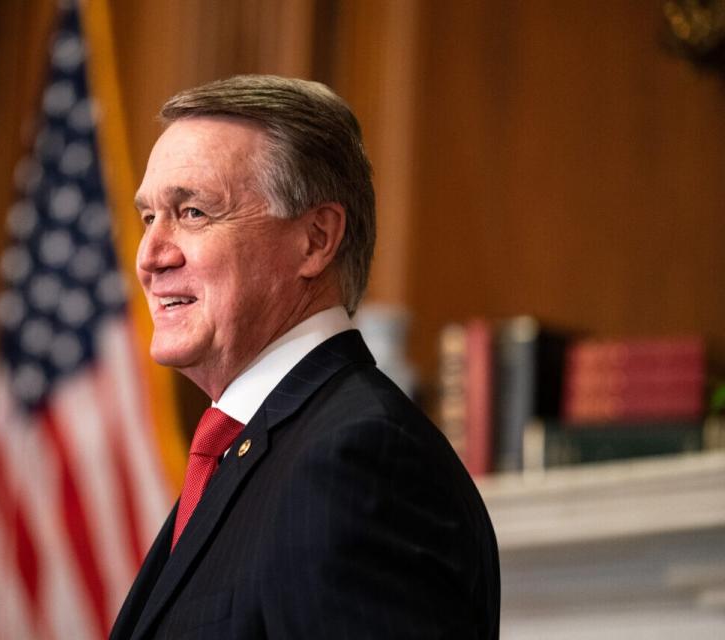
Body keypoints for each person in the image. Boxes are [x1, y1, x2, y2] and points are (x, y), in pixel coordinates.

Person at [111, 75, 500, 639]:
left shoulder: (356, 457)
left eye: (192, 212)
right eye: (149, 217)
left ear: (316, 239)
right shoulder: (251, 449)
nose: (150, 255)